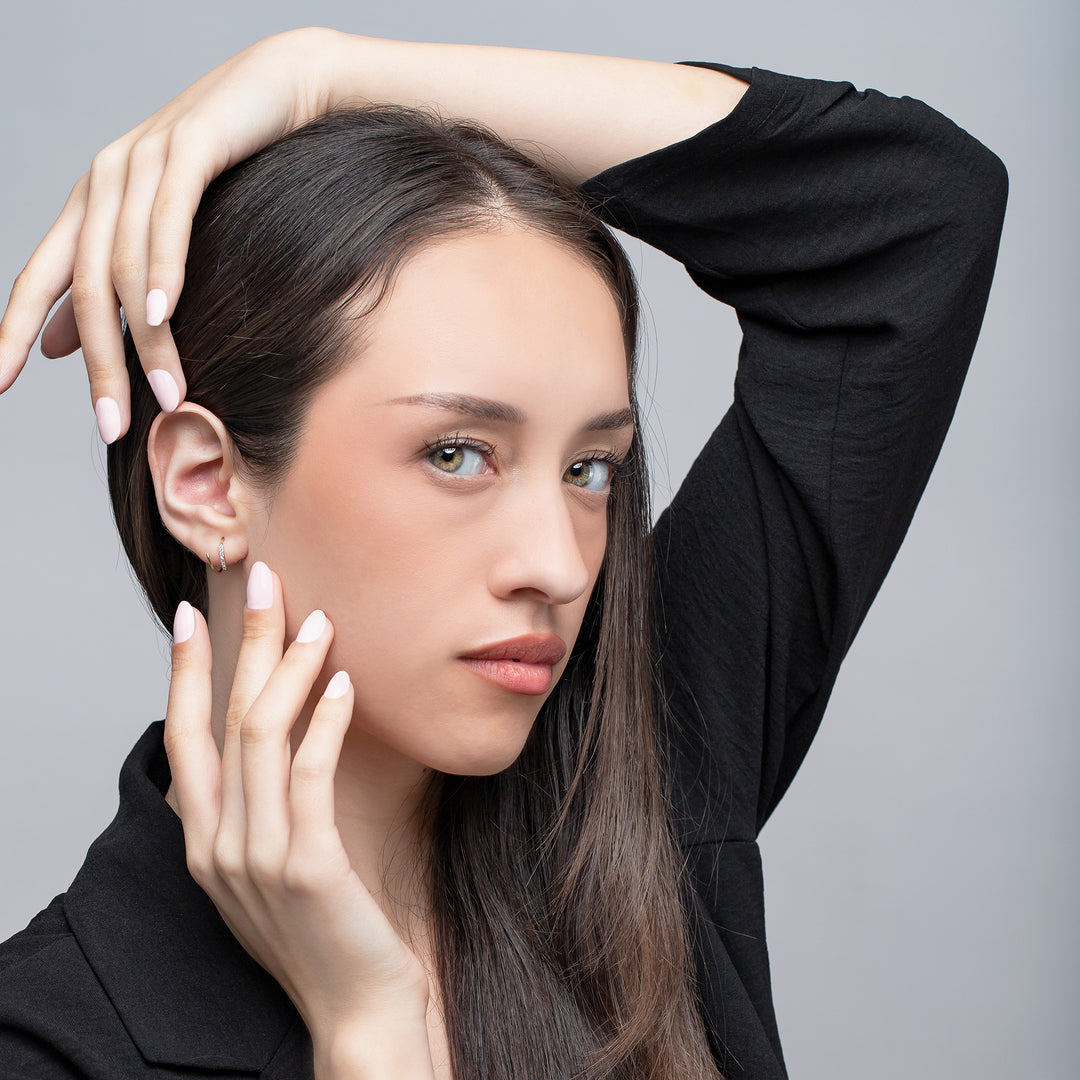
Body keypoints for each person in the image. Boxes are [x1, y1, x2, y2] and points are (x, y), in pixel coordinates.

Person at [0, 30, 1007, 1080]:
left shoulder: (635, 794)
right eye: (458, 453)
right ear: (208, 486)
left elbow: (914, 212)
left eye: (591, 470)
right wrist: (367, 1038)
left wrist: (322, 74)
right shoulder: (51, 1043)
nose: (564, 568)